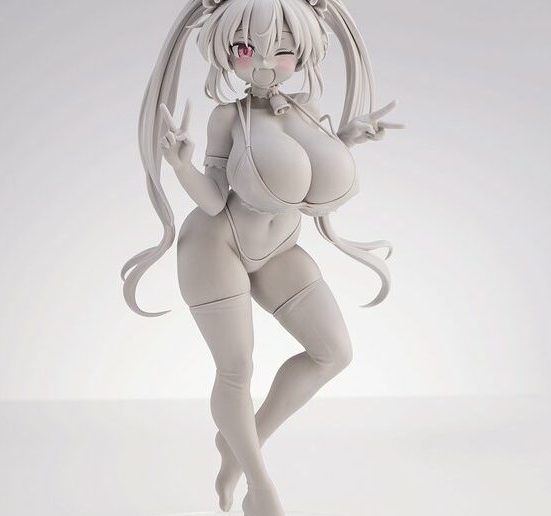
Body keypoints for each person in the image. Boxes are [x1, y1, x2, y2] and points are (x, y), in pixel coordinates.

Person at [121, 0, 403, 514]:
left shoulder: (307, 109)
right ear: (226, 53)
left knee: (333, 352)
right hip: (216, 246)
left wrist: (349, 138)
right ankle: (258, 484)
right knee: (237, 369)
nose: (266, 63)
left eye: (284, 50)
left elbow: (310, 168)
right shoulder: (227, 117)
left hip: (280, 248)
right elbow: (213, 199)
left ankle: (238, 443)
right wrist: (181, 167)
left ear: (305, 51)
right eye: (247, 49)